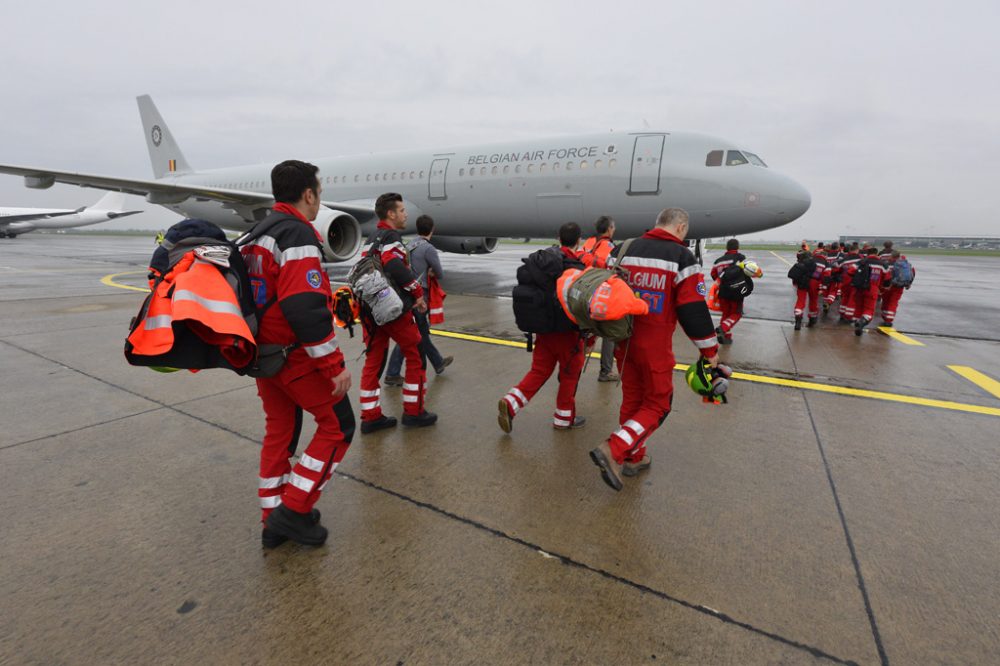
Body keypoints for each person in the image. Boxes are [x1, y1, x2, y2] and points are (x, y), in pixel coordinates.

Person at [241, 160, 354, 548]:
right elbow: (305, 307)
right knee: (338, 429)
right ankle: (295, 510)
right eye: (319, 192)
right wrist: (334, 366)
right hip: (293, 357)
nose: (319, 199)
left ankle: (273, 518)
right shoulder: (297, 235)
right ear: (309, 194)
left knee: (281, 430)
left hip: (262, 355)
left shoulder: (257, 233)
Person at [589, 208, 720, 491]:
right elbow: (693, 311)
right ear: (681, 226)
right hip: (654, 345)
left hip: (623, 339)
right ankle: (615, 448)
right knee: (659, 404)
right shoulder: (681, 257)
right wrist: (710, 350)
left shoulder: (623, 249)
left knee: (634, 400)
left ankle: (633, 458)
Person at [498, 223, 589, 432]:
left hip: (543, 331)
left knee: (538, 371)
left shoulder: (542, 263)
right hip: (568, 335)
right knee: (569, 375)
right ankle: (563, 419)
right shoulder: (576, 267)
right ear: (579, 240)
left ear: (559, 237)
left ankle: (511, 403)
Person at [358, 193, 437, 433]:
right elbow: (392, 263)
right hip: (392, 308)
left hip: (370, 309)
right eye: (402, 210)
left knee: (374, 360)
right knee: (415, 353)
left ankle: (370, 417)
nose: (406, 214)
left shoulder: (372, 238)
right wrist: (417, 294)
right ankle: (414, 412)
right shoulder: (392, 237)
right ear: (391, 214)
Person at [384, 215, 453, 385]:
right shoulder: (428, 249)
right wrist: (431, 272)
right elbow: (440, 273)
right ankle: (392, 373)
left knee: (420, 332)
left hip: (408, 291)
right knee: (411, 334)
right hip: (420, 295)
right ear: (432, 229)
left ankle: (438, 363)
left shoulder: (410, 245)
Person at [579, 215, 619, 381]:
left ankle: (572, 367)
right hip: (601, 295)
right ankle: (606, 371)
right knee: (609, 334)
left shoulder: (588, 243)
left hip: (584, 293)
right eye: (613, 227)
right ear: (609, 229)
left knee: (585, 334)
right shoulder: (610, 247)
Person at [710, 238, 746, 344]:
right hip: (736, 291)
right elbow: (746, 271)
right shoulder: (740, 258)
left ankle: (727, 337)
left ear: (727, 247)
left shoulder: (718, 261)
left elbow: (713, 274)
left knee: (725, 314)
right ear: (737, 247)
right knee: (736, 314)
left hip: (723, 291)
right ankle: (723, 328)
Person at [853, 246, 888, 335]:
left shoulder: (861, 261)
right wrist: (882, 288)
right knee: (869, 309)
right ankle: (862, 322)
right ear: (876, 253)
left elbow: (850, 271)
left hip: (859, 288)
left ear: (868, 253)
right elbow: (887, 279)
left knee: (859, 307)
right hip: (872, 288)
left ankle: (857, 324)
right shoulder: (882, 264)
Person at [880, 250, 915, 327]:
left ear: (893, 257)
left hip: (888, 286)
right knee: (893, 302)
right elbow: (912, 273)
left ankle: (886, 319)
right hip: (899, 286)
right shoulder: (906, 264)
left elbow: (883, 275)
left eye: (890, 256)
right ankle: (889, 319)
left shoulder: (887, 264)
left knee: (886, 301)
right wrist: (909, 284)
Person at [788, 250, 817, 330]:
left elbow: (793, 275)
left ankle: (798, 321)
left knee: (800, 302)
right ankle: (812, 320)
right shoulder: (814, 263)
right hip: (812, 283)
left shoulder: (800, 264)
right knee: (813, 300)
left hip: (801, 284)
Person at [838, 242, 862, 322]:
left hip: (845, 281)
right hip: (855, 281)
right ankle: (848, 316)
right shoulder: (861, 258)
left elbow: (837, 269)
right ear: (857, 250)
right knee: (853, 299)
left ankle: (842, 313)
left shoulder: (844, 258)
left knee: (845, 297)